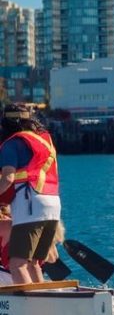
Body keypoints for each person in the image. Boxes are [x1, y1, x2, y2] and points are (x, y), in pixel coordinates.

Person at [0, 103, 62, 285]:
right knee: (34, 262)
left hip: (31, 203)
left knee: (17, 264)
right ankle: (44, 302)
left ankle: (32, 307)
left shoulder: (12, 144)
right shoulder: (44, 140)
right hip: (53, 205)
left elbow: (8, 178)